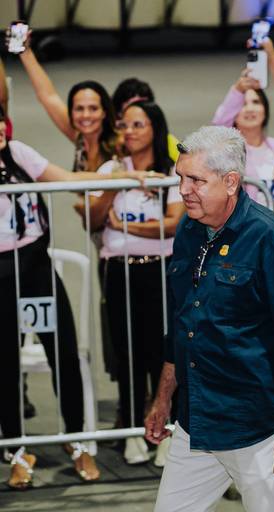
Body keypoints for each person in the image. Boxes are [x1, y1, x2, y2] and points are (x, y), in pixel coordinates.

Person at [144, 126, 274, 512]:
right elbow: (182, 324)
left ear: (230, 182)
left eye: (196, 180)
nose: (183, 190)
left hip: (257, 430)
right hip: (196, 423)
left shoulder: (273, 240)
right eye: (180, 178)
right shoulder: (189, 230)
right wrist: (163, 399)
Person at [0, 105, 146, 489]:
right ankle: (17, 451)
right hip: (0, 279)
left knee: (62, 353)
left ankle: (77, 440)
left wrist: (125, 177)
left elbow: (66, 179)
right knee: (5, 364)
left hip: (36, 271)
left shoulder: (17, 152)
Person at [88, 101, 184, 466]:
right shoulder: (111, 169)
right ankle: (131, 429)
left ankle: (166, 430)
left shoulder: (171, 171)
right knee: (127, 351)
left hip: (160, 270)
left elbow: (172, 224)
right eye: (124, 125)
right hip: (118, 270)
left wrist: (122, 225)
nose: (129, 132)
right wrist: (114, 188)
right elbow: (93, 219)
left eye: (137, 125)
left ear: (155, 128)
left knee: (162, 352)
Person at [211, 68, 274, 230]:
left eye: (256, 102)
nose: (250, 109)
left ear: (265, 110)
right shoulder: (228, 151)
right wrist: (237, 91)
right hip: (246, 235)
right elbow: (216, 128)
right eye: (243, 104)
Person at [13, 29, 119, 172]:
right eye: (79, 109)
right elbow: (48, 96)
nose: (86, 115)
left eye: (93, 108)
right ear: (71, 113)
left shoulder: (120, 145)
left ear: (104, 112)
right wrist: (25, 52)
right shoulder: (80, 138)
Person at [111, 77, 182, 163]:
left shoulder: (170, 144)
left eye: (145, 106)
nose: (138, 111)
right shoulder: (107, 144)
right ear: (118, 113)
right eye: (131, 107)